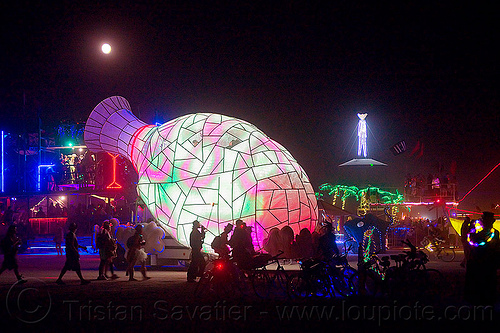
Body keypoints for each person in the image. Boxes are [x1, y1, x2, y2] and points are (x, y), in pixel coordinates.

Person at [464, 212, 500, 305]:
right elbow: (469, 241)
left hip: (487, 262)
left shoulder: (493, 233)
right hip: (478, 261)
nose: (484, 222)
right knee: (478, 283)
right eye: (483, 220)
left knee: (487, 283)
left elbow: (495, 247)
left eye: (486, 220)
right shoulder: (475, 232)